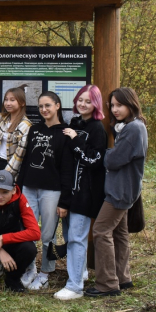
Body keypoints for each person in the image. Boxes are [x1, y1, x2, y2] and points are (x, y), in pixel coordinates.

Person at [85, 87, 147, 298]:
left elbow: (114, 160)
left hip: (120, 191)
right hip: (125, 189)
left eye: (120, 105)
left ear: (131, 104)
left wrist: (107, 153)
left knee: (101, 231)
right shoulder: (132, 127)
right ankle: (123, 277)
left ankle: (107, 283)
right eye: (112, 105)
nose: (115, 109)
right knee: (120, 233)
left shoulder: (132, 129)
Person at [53, 85, 108, 300]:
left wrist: (76, 140)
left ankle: (75, 286)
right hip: (68, 191)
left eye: (88, 101)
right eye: (80, 100)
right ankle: (81, 272)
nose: (83, 104)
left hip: (85, 193)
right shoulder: (75, 124)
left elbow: (93, 160)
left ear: (96, 104)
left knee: (76, 237)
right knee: (69, 236)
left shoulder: (96, 129)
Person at [16, 91, 74, 291]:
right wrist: (19, 188)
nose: (44, 110)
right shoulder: (34, 130)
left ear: (57, 105)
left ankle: (45, 273)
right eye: (41, 106)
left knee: (47, 234)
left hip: (52, 191)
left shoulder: (66, 132)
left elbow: (67, 169)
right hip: (29, 188)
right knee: (27, 231)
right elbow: (25, 162)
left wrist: (64, 201)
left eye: (48, 105)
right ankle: (29, 267)